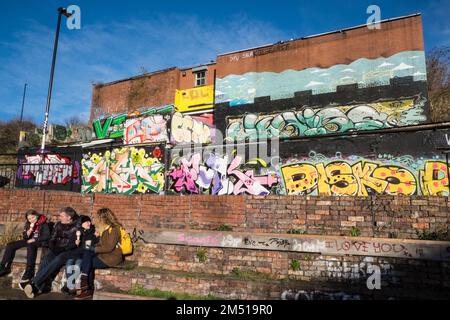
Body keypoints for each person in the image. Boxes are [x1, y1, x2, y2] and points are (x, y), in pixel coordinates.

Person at [24, 207, 79, 298]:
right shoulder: (58, 225)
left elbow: (72, 245)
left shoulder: (76, 228)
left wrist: (61, 249)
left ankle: (34, 283)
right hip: (56, 250)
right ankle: (39, 287)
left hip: (67, 252)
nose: (59, 218)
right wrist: (54, 248)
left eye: (62, 216)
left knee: (57, 260)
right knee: (46, 259)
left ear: (69, 217)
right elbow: (51, 239)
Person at [75, 208, 124, 300]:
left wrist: (93, 248)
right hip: (105, 255)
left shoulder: (114, 229)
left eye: (98, 217)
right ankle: (86, 286)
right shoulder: (106, 228)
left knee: (86, 262)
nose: (96, 220)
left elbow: (109, 247)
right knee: (87, 255)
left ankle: (86, 288)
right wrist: (92, 246)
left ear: (103, 218)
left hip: (112, 257)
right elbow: (102, 244)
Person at [0, 209, 50, 289]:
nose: (31, 220)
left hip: (39, 242)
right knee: (10, 245)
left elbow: (46, 236)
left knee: (30, 245)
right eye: (29, 219)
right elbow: (25, 237)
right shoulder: (28, 224)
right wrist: (30, 229)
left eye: (33, 217)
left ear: (36, 215)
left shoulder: (43, 223)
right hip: (29, 240)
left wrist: (34, 239)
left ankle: (29, 270)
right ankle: (4, 267)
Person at [61, 215, 97, 295]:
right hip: (73, 254)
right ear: (81, 223)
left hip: (82, 255)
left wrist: (96, 237)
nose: (89, 223)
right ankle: (70, 286)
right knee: (69, 264)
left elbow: (89, 246)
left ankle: (69, 286)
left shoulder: (92, 232)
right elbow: (69, 246)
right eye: (86, 222)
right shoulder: (77, 232)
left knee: (77, 265)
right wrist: (75, 243)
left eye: (89, 221)